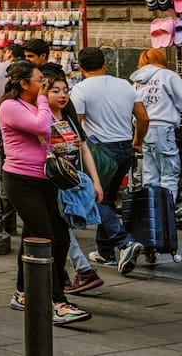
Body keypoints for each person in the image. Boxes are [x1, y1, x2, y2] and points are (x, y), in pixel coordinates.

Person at [0, 61, 90, 326]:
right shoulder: (10, 107)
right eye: (39, 80)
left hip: (47, 179)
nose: (44, 85)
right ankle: (55, 301)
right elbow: (41, 127)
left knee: (48, 233)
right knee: (44, 235)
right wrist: (42, 100)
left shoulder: (36, 104)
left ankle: (23, 292)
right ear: (24, 84)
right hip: (22, 180)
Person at [67, 47, 144, 273]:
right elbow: (143, 116)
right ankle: (105, 251)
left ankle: (124, 242)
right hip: (125, 147)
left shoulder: (80, 89)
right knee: (108, 198)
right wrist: (138, 139)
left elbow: (76, 124)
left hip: (101, 151)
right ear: (105, 64)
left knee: (97, 197)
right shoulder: (124, 84)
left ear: (80, 68)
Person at [45, 68, 110, 297]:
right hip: (52, 183)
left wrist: (95, 181)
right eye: (55, 91)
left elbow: (83, 148)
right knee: (60, 227)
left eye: (65, 90)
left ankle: (73, 272)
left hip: (73, 182)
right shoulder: (41, 120)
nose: (62, 95)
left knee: (63, 227)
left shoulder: (70, 119)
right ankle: (79, 270)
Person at [129, 47, 182, 196]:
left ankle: (152, 214)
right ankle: (167, 214)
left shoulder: (137, 81)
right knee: (169, 174)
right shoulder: (167, 76)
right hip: (162, 128)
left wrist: (136, 138)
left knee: (150, 176)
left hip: (143, 129)